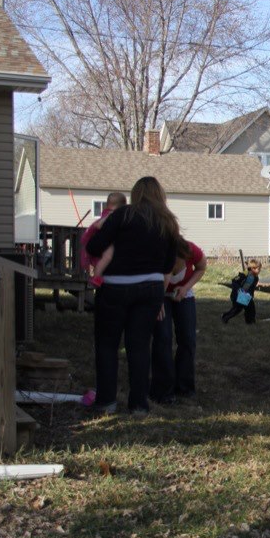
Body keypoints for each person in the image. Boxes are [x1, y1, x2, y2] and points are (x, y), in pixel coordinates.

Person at [85, 177, 179, 415]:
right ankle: (138, 405)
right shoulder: (167, 221)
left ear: (136, 194)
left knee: (108, 345)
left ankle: (106, 402)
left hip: (115, 287)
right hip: (150, 288)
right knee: (139, 346)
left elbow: (94, 246)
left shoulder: (122, 215)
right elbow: (169, 264)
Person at [150, 237, 207, 404]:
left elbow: (201, 267)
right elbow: (159, 280)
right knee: (163, 337)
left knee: (188, 338)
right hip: (159, 295)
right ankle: (163, 390)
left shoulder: (192, 250)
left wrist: (186, 287)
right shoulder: (159, 255)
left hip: (184, 294)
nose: (176, 265)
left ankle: (184, 386)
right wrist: (157, 301)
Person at [80, 192, 127, 287]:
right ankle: (97, 277)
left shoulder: (108, 213)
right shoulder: (111, 214)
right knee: (108, 256)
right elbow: (98, 225)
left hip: (100, 239)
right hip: (98, 239)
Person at [221, 259, 261, 324]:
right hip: (237, 295)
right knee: (237, 309)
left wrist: (251, 296)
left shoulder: (256, 278)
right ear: (252, 268)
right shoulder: (244, 274)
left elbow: (252, 288)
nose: (259, 271)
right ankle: (225, 317)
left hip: (246, 296)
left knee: (251, 308)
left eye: (260, 269)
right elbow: (234, 281)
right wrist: (239, 289)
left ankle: (250, 322)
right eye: (258, 269)